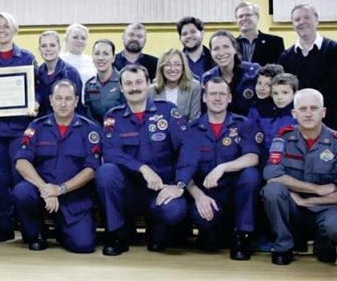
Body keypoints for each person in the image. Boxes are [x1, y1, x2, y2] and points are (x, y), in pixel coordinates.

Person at [96, 64, 193, 255]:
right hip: (129, 191)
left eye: (139, 82)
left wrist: (179, 184)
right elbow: (110, 152)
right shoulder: (113, 117)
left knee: (173, 213)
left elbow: (188, 148)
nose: (134, 87)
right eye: (128, 83)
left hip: (160, 190)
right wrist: (142, 168)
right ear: (121, 88)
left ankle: (157, 227)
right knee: (105, 172)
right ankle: (117, 235)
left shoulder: (167, 112)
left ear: (148, 83)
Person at [262, 88, 337, 265]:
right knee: (272, 191)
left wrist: (308, 201)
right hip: (293, 205)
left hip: (326, 207)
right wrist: (316, 189)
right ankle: (283, 247)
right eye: (302, 109)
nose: (308, 114)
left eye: (314, 109)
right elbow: (271, 175)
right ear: (294, 113)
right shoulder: (283, 138)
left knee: (336, 227)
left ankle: (325, 245)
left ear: (323, 112)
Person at [13, 80, 101, 253]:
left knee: (83, 246)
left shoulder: (90, 129)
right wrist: (46, 189)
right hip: (42, 194)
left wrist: (60, 189)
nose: (62, 104)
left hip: (74, 197)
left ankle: (63, 230)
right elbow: (21, 163)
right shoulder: (36, 127)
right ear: (51, 100)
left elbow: (91, 170)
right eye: (58, 98)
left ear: (76, 101)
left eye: (68, 99)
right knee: (21, 192)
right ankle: (37, 232)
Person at [0, 11, 38, 241]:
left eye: (5, 26)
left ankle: (27, 225)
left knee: (19, 178)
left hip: (19, 129)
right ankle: (4, 226)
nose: (1, 30)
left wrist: (36, 102)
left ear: (14, 29)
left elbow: (37, 87)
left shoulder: (27, 57)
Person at [185, 76, 261, 260]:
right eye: (212, 94)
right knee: (204, 226)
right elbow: (184, 170)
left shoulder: (243, 124)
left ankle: (242, 236)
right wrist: (198, 196)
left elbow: (253, 157)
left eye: (222, 94)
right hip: (208, 195)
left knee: (251, 175)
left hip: (236, 194)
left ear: (229, 98)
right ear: (204, 98)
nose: (217, 98)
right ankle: (210, 231)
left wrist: (223, 167)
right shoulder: (192, 129)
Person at [279, 4, 337, 129]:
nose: (302, 22)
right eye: (297, 19)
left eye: (306, 17)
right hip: (295, 119)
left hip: (326, 119)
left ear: (316, 20)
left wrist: (309, 106)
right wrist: (301, 109)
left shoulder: (332, 49)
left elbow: (334, 84)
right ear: (293, 25)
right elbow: (285, 88)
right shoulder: (285, 56)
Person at [201, 31, 260, 117]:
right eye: (216, 48)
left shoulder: (254, 72)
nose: (221, 53)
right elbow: (205, 112)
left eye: (226, 47)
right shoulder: (207, 78)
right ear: (211, 53)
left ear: (235, 49)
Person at [248, 72, 297, 166]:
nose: (279, 97)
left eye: (285, 93)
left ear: (294, 93)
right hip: (265, 158)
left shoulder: (298, 111)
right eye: (275, 93)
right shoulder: (258, 108)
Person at [35, 31, 83, 117]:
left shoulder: (71, 73)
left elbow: (78, 106)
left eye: (52, 45)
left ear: (59, 48)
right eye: (44, 46)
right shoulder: (36, 74)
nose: (48, 49)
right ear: (39, 49)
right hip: (43, 125)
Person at [150, 48, 201, 122]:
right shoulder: (151, 91)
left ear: (183, 68)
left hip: (186, 132)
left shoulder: (194, 87)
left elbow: (194, 121)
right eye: (167, 64)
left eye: (177, 64)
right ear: (161, 68)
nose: (172, 69)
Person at [84, 39, 122, 125]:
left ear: (113, 58)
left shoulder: (124, 81)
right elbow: (89, 116)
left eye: (106, 54)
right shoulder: (89, 85)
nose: (101, 58)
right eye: (97, 54)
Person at [235, 1, 285, 65]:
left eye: (248, 15)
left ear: (257, 17)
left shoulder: (275, 42)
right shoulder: (231, 45)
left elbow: (280, 70)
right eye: (240, 16)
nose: (244, 18)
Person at [59, 23, 95, 90]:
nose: (80, 41)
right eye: (75, 37)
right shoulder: (58, 61)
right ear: (66, 39)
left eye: (83, 38)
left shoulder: (93, 61)